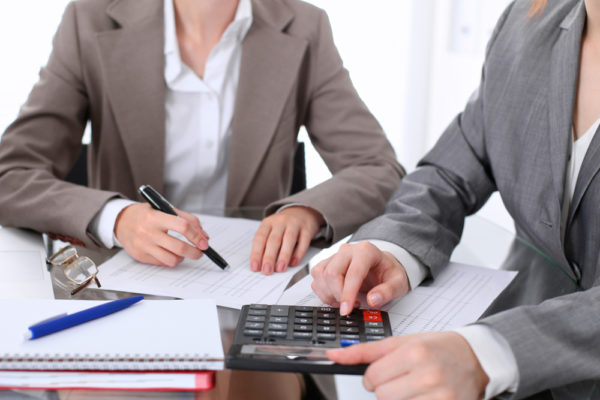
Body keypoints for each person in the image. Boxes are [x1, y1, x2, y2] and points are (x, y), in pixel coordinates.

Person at [311, 0, 600, 398]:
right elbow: (452, 170)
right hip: (510, 360)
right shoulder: (528, 22)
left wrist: (491, 352)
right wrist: (393, 248)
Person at [0, 0, 403, 277]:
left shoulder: (304, 25)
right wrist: (117, 218)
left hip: (251, 286)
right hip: (121, 287)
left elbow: (379, 168)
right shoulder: (90, 20)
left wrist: (307, 211)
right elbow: (11, 174)